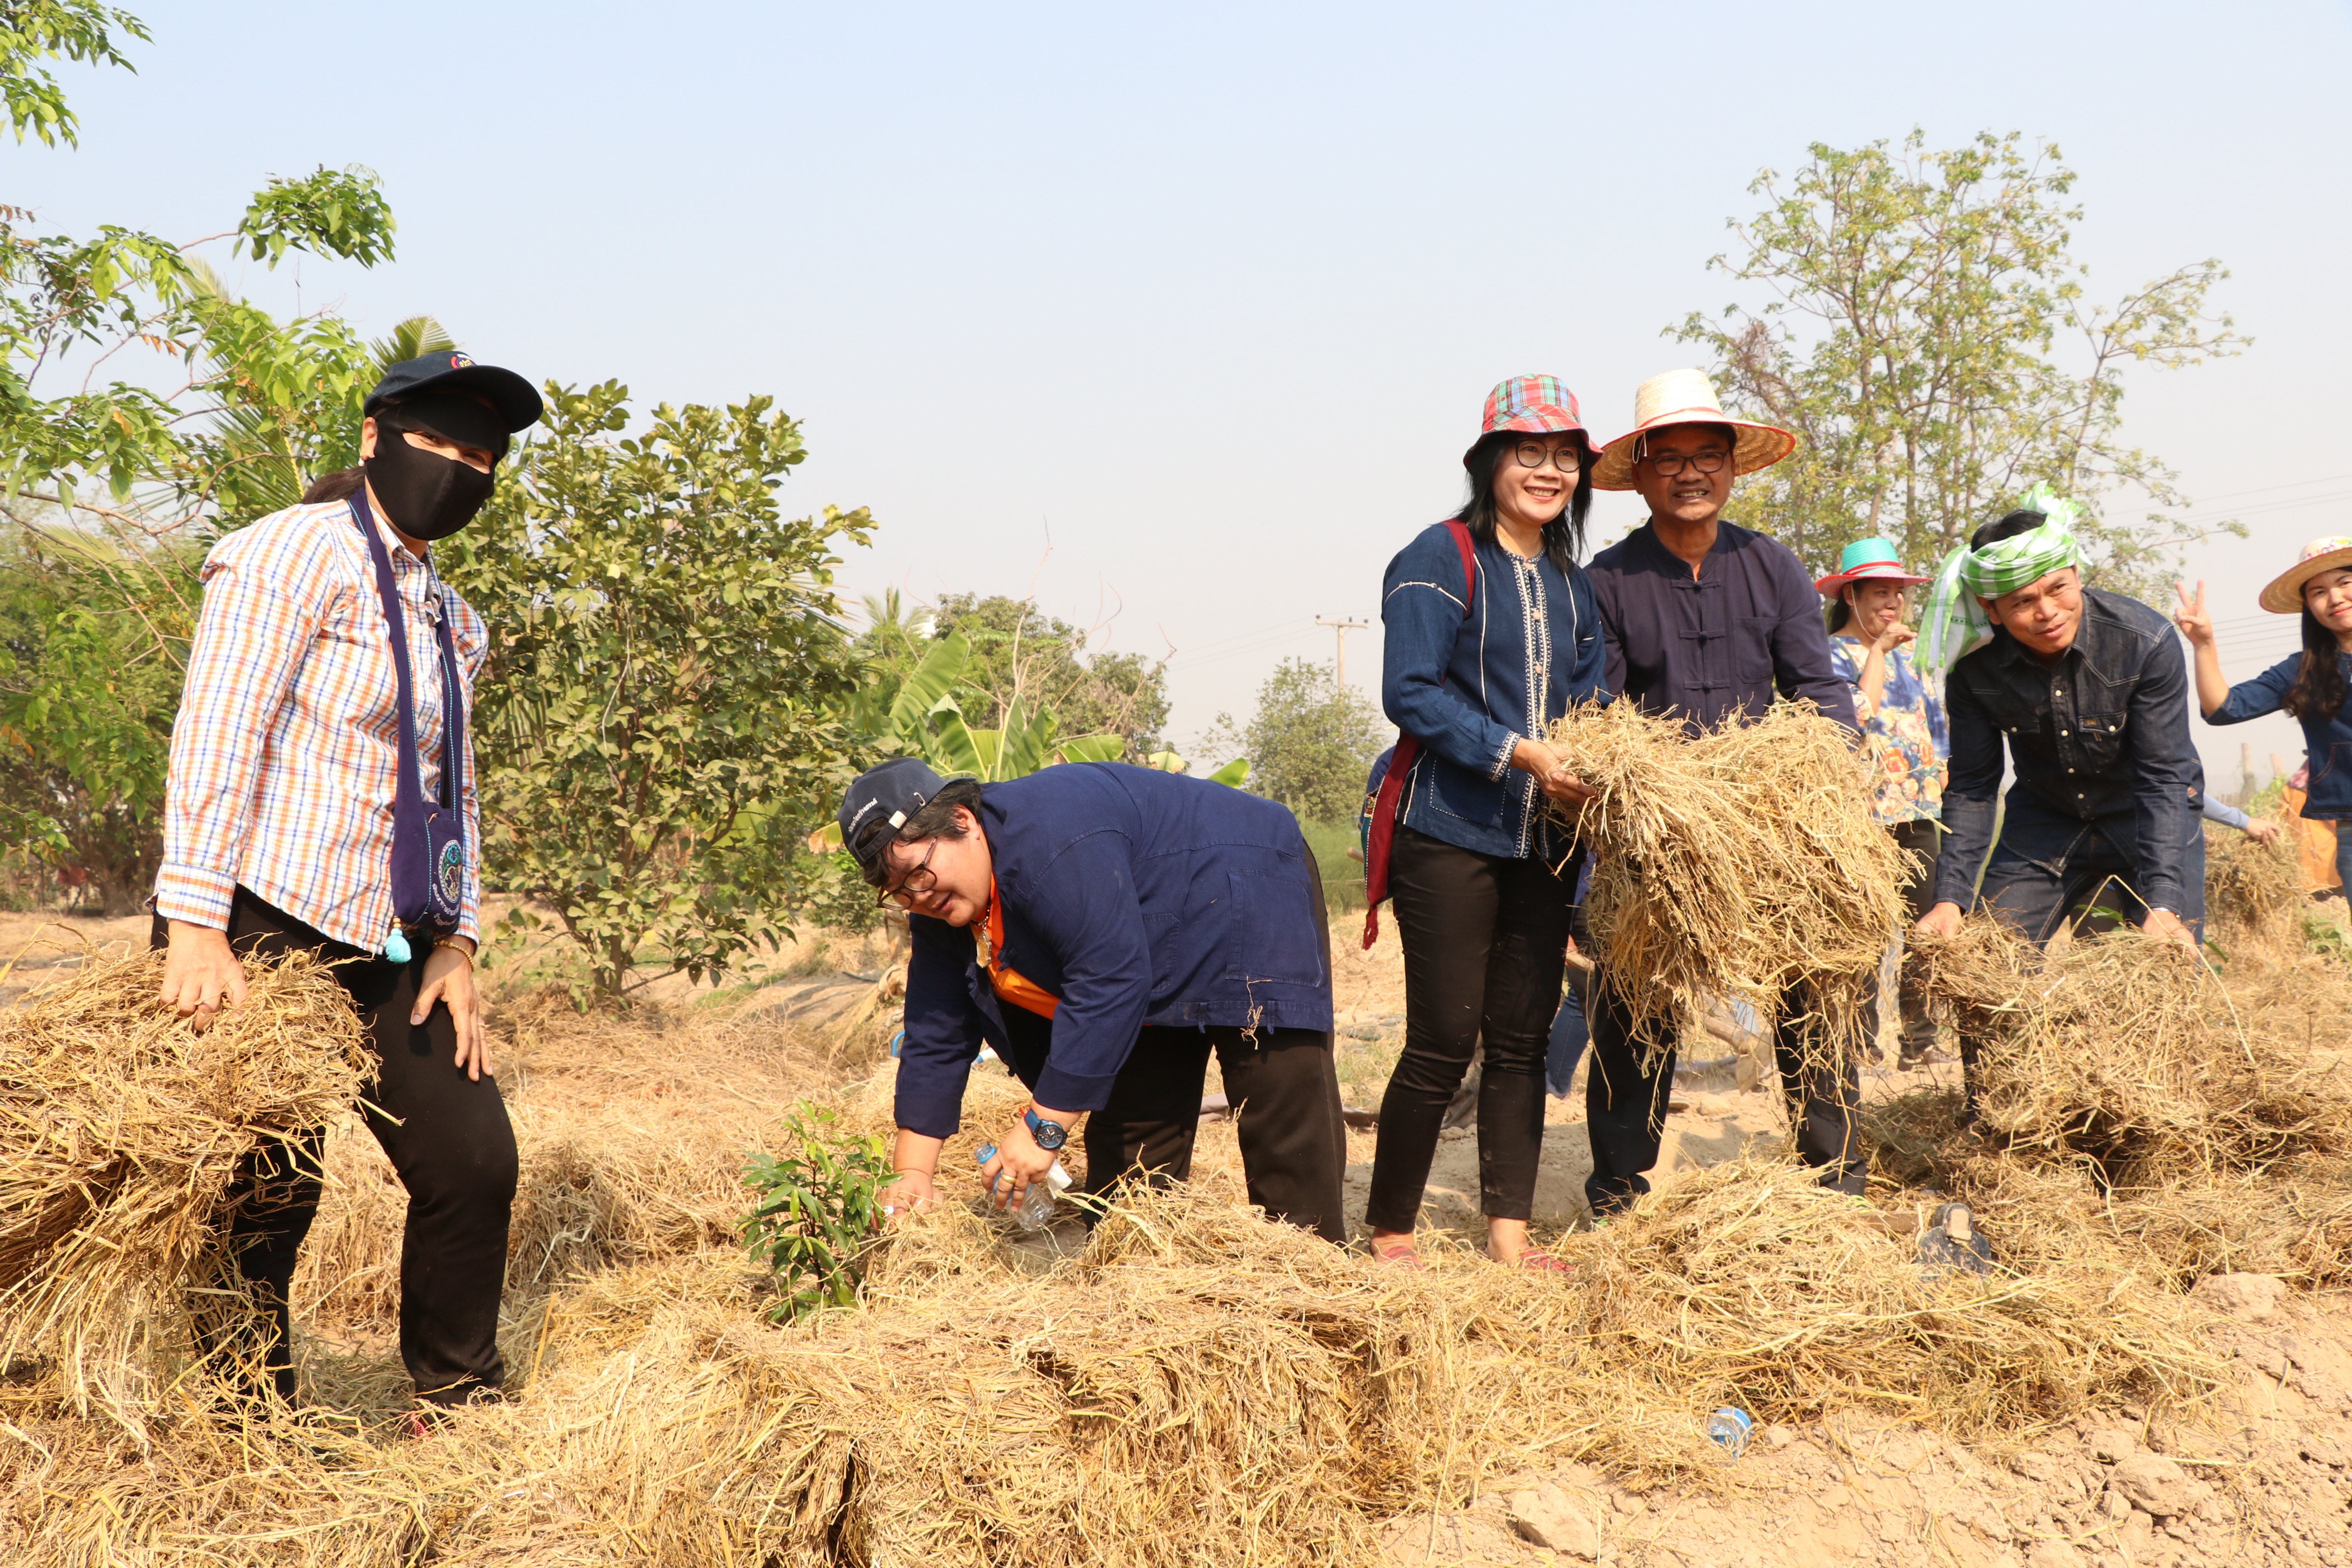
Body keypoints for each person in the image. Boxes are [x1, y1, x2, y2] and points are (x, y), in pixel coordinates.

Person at [152, 351, 543, 1416]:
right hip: (257, 913)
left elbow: (450, 790)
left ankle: (454, 1394)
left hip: (391, 935)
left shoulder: (453, 620)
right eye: (439, 441)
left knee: (471, 1157)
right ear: (374, 435)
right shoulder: (293, 554)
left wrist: (459, 941)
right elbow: (218, 735)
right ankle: (245, 1416)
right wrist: (195, 923)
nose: (459, 467)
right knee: (269, 1186)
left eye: (482, 455)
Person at [1580, 368, 1865, 1216]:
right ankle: (1619, 1189)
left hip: (1770, 818)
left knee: (1816, 981)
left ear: (1734, 466)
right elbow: (1599, 709)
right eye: (1669, 459)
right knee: (1635, 998)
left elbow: (1817, 688)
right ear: (1641, 475)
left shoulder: (1772, 566)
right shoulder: (1608, 579)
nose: (1691, 472)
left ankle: (1835, 1176)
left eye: (1708, 454)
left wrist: (1831, 774)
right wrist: (1639, 799)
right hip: (1661, 830)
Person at [853, 757, 1349, 1243]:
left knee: (1280, 1098)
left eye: (917, 873)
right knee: (1129, 1165)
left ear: (963, 821)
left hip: (1247, 875)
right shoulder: (938, 907)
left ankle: (1310, 1277)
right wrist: (914, 1171)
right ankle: (1137, 1280)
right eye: (897, 892)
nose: (916, 897)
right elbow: (936, 1030)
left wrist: (1044, 1127)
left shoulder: (1050, 839)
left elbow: (1109, 979)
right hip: (1149, 936)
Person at [1358, 374, 1609, 1269]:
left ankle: (1510, 1232)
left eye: (1565, 456)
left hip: (1541, 844)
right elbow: (1410, 690)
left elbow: (1593, 698)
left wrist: (1587, 763)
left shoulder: (1574, 588)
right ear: (1490, 461)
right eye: (1528, 452)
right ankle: (1392, 1228)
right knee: (1442, 1036)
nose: (1548, 471)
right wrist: (1522, 753)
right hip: (1449, 834)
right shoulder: (1440, 556)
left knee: (1520, 1036)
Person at [1914, 487, 2206, 1114]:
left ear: (2077, 575)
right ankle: (1996, 1120)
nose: (2047, 611)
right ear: (1992, 611)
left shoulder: (2145, 640)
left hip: (2143, 814)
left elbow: (2163, 778)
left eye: (2058, 589)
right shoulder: (1973, 671)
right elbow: (1971, 785)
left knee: (2162, 976)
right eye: (2023, 602)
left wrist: (2163, 902)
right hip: (2045, 821)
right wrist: (1950, 898)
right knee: (1988, 967)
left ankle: (2158, 1122)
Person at [1816, 536, 1949, 1070]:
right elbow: (1855, 716)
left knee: (1925, 931)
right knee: (1866, 933)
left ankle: (1919, 1042)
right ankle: (1859, 1043)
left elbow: (1936, 734)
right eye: (1879, 593)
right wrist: (1877, 652)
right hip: (1861, 820)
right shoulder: (1828, 655)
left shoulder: (1913, 664)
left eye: (1898, 594)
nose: (1892, 604)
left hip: (1918, 816)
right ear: (1851, 596)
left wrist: (1949, 783)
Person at [2173, 537, 2352, 893]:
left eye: (2345, 583)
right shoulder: (2303, 671)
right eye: (2318, 592)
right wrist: (2204, 646)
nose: (2334, 599)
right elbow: (2223, 709)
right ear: (2309, 607)